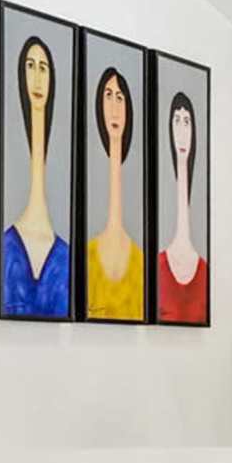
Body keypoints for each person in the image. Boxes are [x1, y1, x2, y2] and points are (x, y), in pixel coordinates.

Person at [0, 34, 72, 318]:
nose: (38, 79)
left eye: (44, 68)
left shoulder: (65, 257)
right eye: (30, 66)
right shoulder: (5, 247)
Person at [85, 63, 144, 321]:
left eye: (120, 97)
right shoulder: (85, 256)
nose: (114, 106)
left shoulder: (142, 262)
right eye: (107, 96)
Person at [154, 87, 208, 324]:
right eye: (176, 121)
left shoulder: (205, 272)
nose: (182, 131)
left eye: (187, 122)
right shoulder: (156, 267)